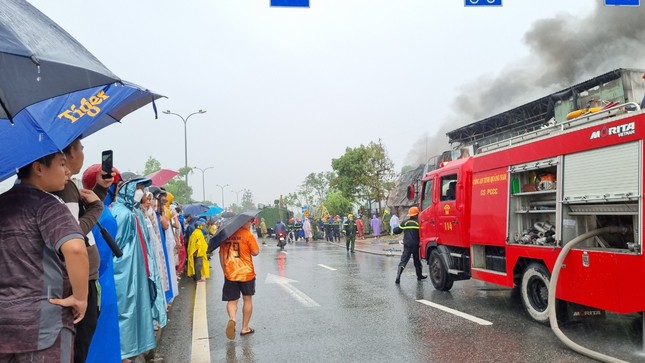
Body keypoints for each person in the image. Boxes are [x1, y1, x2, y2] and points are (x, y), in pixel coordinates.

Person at [0, 152, 89, 363]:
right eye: (61, 164)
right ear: (38, 168)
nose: (67, 171)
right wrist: (80, 298)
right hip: (44, 325)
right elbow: (76, 249)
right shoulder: (48, 206)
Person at [54, 138, 114, 363]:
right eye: (80, 148)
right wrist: (98, 205)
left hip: (83, 278)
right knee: (78, 347)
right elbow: (73, 232)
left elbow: (77, 215)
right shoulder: (66, 187)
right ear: (68, 153)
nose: (83, 153)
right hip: (81, 280)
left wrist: (99, 191)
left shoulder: (69, 186)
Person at [219, 219, 260, 339]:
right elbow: (256, 252)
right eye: (250, 222)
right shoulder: (247, 234)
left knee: (232, 300)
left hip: (230, 273)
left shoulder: (225, 237)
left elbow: (221, 257)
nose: (251, 224)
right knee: (247, 299)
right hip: (246, 273)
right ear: (244, 223)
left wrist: (225, 271)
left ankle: (232, 319)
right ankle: (245, 328)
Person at [393, 206, 427, 284]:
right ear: (417, 214)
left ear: (410, 214)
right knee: (417, 261)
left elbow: (397, 231)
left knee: (404, 261)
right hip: (416, 245)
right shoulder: (419, 223)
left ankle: (398, 277)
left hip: (407, 245)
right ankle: (419, 276)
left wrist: (394, 230)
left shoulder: (405, 222)